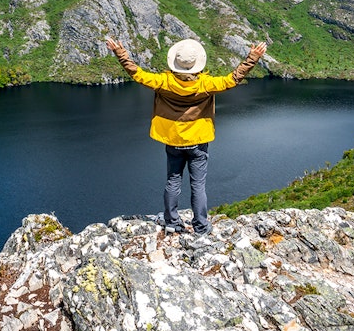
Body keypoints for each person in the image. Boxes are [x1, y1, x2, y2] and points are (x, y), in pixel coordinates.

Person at [105, 37, 267, 235]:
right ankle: (200, 226)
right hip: (198, 141)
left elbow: (137, 74)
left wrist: (120, 53)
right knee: (198, 185)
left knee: (173, 181)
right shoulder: (206, 84)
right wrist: (253, 57)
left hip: (173, 140)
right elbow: (233, 78)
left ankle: (172, 222)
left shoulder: (163, 82)